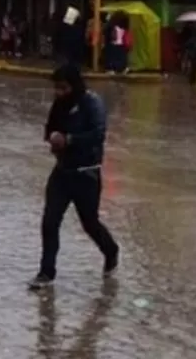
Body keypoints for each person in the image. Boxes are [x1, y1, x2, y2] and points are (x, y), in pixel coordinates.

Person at [29, 64, 120, 290]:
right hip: (62, 173)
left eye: (63, 88)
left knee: (89, 223)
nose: (59, 93)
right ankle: (46, 273)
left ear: (75, 85)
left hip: (86, 174)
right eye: (56, 89)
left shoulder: (92, 104)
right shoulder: (59, 105)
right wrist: (52, 138)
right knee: (50, 222)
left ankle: (111, 250)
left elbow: (98, 135)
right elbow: (49, 128)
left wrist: (69, 140)